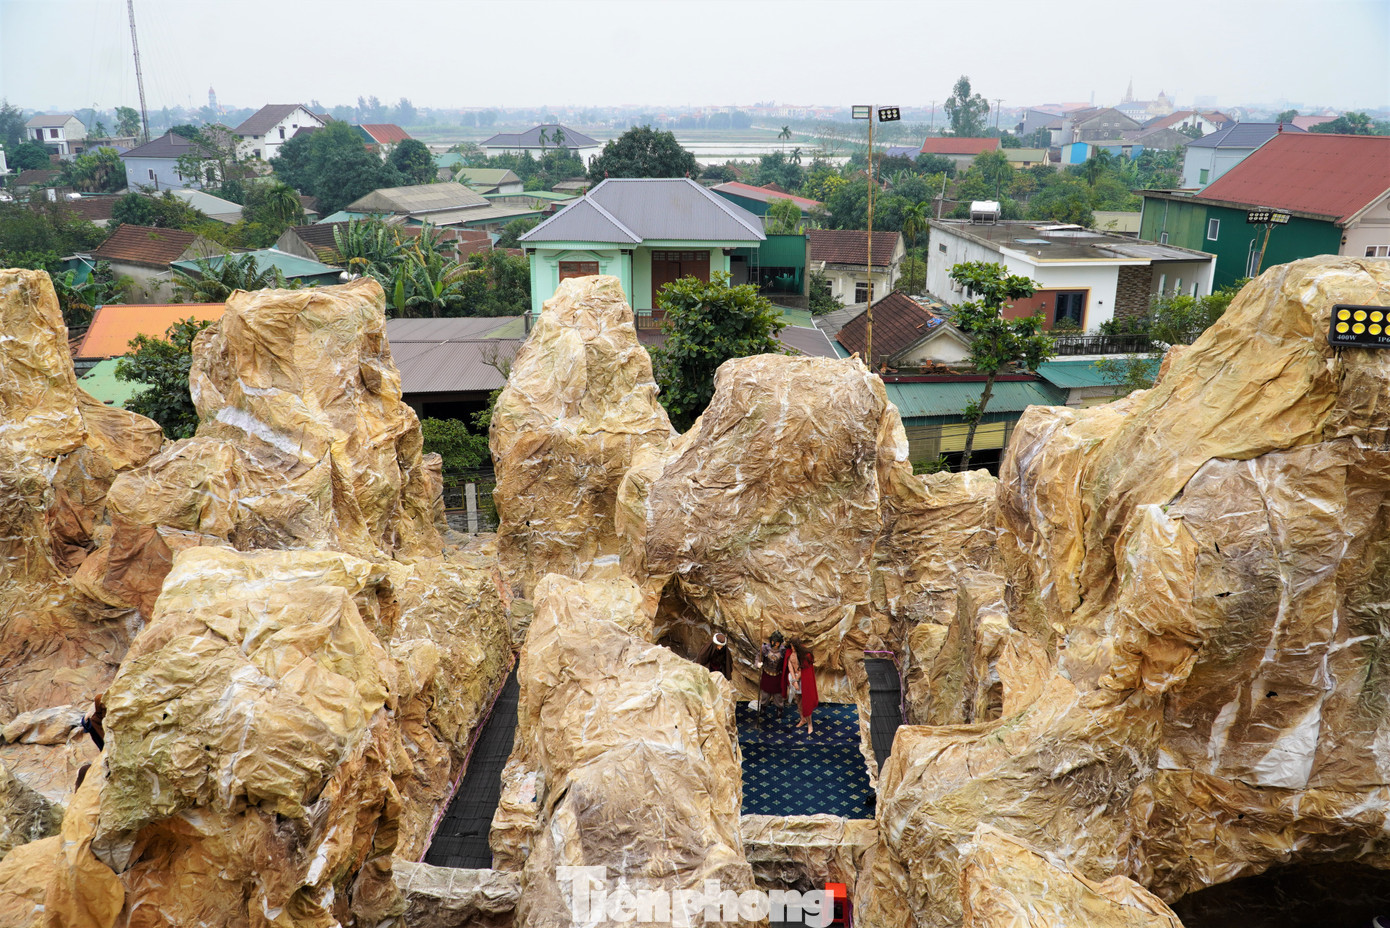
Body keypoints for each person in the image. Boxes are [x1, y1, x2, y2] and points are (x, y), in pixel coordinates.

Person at [755, 631, 788, 714]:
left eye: (777, 642)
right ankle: (763, 706)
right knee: (765, 694)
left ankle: (779, 708)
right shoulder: (765, 648)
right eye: (774, 642)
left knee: (778, 695)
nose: (776, 644)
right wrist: (758, 663)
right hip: (767, 674)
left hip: (777, 675)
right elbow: (759, 656)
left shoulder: (783, 650)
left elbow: (786, 662)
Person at [794, 647, 819, 736]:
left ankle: (810, 724)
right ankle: (802, 719)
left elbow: (803, 670)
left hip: (804, 681)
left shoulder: (806, 656)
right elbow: (790, 664)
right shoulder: (792, 653)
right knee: (799, 700)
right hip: (796, 681)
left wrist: (795, 680)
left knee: (806, 703)